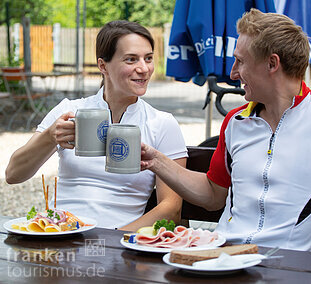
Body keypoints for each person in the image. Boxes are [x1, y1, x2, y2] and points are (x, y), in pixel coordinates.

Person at [139, 9, 311, 251]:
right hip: (223, 255)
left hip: (288, 265)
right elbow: (213, 196)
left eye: (240, 61)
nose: (233, 73)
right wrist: (156, 160)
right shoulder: (236, 121)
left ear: (272, 63)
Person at [5, 21, 188, 231]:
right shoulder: (69, 111)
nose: (144, 68)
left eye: (148, 58)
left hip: (120, 243)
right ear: (103, 66)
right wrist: (49, 137)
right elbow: (13, 174)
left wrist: (112, 240)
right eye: (131, 59)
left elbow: (171, 209)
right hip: (62, 235)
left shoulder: (162, 123)